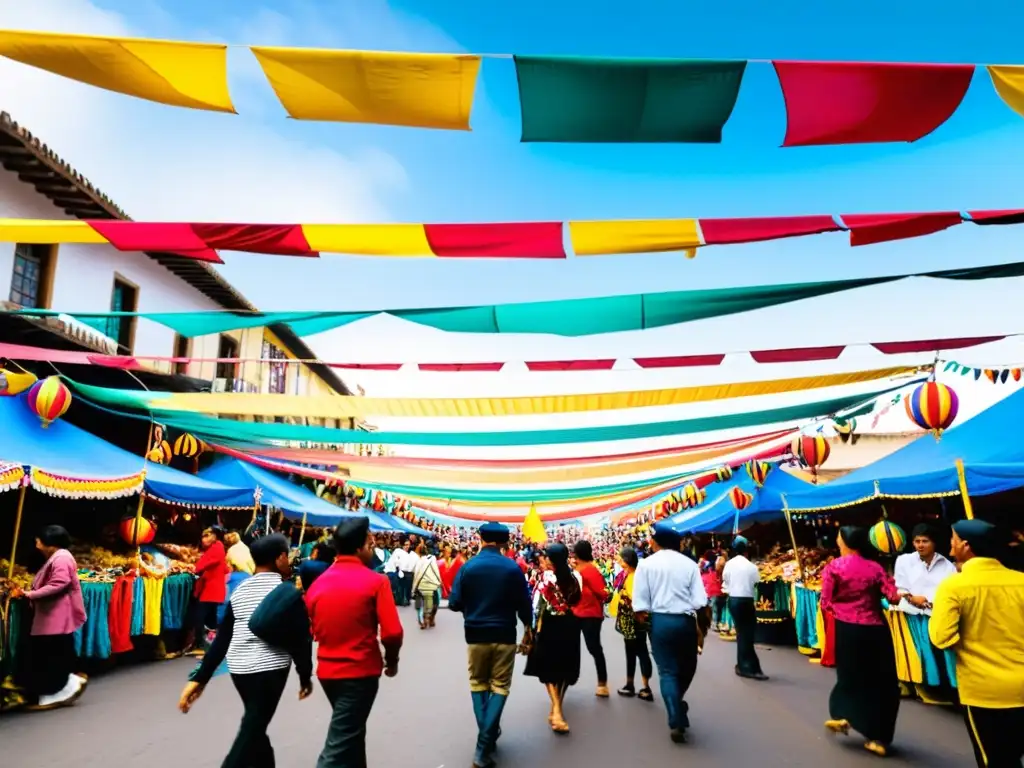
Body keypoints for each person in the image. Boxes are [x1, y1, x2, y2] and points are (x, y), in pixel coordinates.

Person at [178, 534, 313, 768]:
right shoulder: (286, 592)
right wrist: (304, 676)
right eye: (287, 555)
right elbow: (301, 639)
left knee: (256, 724)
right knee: (252, 729)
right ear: (280, 558)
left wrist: (201, 678)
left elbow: (222, 639)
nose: (289, 560)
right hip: (271, 671)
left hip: (240, 671)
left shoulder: (240, 591)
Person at [307, 516, 403, 768]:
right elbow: (392, 632)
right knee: (339, 743)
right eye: (370, 545)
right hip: (359, 673)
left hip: (327, 673)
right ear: (360, 547)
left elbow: (312, 627)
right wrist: (392, 661)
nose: (372, 550)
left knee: (352, 731)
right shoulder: (376, 581)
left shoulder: (318, 585)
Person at [929, 519, 1024, 767]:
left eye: (953, 539)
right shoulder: (1020, 580)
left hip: (984, 693)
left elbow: (940, 637)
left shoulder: (954, 586)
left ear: (966, 545)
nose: (950, 544)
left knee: (995, 760)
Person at [449, 522, 533, 768]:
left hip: (475, 635)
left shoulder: (468, 567)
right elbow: (524, 605)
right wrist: (529, 628)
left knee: (478, 683)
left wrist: (472, 608)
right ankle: (483, 747)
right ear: (505, 542)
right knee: (500, 686)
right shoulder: (512, 568)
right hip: (505, 635)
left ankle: (485, 741)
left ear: (481, 538)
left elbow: (454, 603)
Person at [819, 525, 901, 758]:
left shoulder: (834, 567)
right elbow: (892, 597)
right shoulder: (875, 567)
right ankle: (881, 737)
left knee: (850, 676)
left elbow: (825, 602)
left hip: (848, 630)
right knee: (882, 682)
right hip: (876, 629)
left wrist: (840, 607)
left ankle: (846, 716)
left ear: (843, 541)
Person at [632, 525, 708, 744]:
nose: (650, 543)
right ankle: (677, 705)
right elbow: (700, 600)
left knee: (667, 671)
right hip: (685, 621)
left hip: (660, 622)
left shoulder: (646, 564)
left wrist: (643, 617)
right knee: (687, 668)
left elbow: (640, 601)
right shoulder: (690, 564)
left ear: (659, 541)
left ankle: (675, 712)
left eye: (652, 540)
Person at [12, 525, 87, 710]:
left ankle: (59, 690)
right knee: (50, 653)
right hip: (52, 614)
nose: (36, 542)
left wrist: (29, 595)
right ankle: (58, 688)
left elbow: (58, 584)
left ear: (50, 542)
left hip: (56, 615)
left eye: (40, 539)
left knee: (50, 654)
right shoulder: (57, 557)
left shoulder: (61, 558)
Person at [893, 523, 957, 702]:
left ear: (934, 543)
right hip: (913, 616)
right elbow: (900, 588)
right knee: (923, 653)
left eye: (925, 541)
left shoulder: (947, 565)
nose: (920, 545)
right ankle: (927, 688)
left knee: (943, 653)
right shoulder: (904, 561)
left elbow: (951, 590)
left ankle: (948, 690)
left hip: (938, 615)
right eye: (917, 541)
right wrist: (913, 598)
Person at [524, 542, 583, 735]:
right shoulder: (576, 577)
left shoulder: (545, 578)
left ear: (553, 559)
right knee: (566, 667)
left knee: (547, 667)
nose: (544, 559)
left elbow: (536, 607)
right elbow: (577, 601)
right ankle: (556, 708)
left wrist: (531, 630)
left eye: (547, 556)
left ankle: (557, 710)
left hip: (550, 625)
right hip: (571, 625)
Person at [722, 536, 768, 681]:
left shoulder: (729, 564)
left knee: (742, 634)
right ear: (746, 551)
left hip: (734, 600)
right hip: (747, 601)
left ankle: (744, 665)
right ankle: (748, 666)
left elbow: (726, 579)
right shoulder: (752, 566)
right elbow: (756, 581)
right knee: (746, 634)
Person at [612, 546, 654, 702]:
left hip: (633, 621)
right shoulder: (631, 575)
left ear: (627, 561)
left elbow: (633, 599)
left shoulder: (632, 578)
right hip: (636, 620)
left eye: (621, 558)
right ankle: (637, 685)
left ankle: (640, 686)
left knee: (637, 652)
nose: (618, 560)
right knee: (639, 651)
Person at [571, 540, 610, 697]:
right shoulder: (590, 570)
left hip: (582, 613)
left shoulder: (583, 570)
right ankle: (602, 683)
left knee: (584, 647)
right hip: (590, 614)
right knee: (594, 648)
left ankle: (569, 678)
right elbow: (603, 593)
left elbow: (601, 592)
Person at [191, 527, 229, 656]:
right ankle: (212, 646)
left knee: (200, 616)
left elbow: (205, 564)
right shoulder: (218, 547)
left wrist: (195, 569)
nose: (203, 539)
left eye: (206, 536)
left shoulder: (216, 548)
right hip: (214, 588)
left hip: (211, 588)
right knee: (211, 618)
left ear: (214, 536)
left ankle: (202, 645)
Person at [412, 541, 443, 629]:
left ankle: (422, 621)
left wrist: (414, 588)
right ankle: (430, 618)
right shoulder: (432, 559)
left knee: (419, 604)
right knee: (435, 603)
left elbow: (416, 575)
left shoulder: (418, 561)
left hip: (420, 585)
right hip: (432, 585)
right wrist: (440, 582)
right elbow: (436, 572)